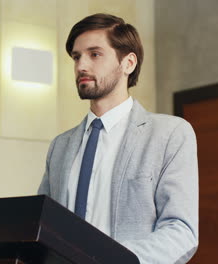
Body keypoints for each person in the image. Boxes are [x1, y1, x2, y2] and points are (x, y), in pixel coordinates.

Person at [38, 13, 198, 263]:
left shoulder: (170, 134)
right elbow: (43, 227)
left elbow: (181, 230)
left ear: (128, 63)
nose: (81, 66)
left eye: (95, 54)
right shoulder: (60, 146)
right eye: (77, 57)